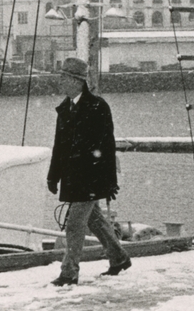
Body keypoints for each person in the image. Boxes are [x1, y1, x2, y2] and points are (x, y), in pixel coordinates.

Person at [46, 57, 132, 286]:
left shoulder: (98, 107)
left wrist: (109, 182)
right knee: (96, 222)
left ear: (76, 81)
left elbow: (106, 147)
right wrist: (53, 176)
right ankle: (119, 258)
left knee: (74, 223)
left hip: (91, 178)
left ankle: (69, 272)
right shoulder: (65, 108)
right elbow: (59, 146)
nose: (60, 82)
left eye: (64, 78)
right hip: (73, 178)